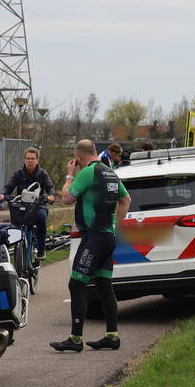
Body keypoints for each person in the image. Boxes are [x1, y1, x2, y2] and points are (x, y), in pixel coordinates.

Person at [50, 140, 131, 352]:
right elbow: (126, 200)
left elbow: (67, 198)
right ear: (95, 151)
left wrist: (69, 176)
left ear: (78, 157)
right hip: (108, 238)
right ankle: (112, 336)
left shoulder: (88, 172)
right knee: (104, 286)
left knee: (76, 285)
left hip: (94, 238)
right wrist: (116, 226)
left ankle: (75, 339)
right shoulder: (110, 172)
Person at [0, 147, 56, 259]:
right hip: (21, 206)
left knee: (41, 218)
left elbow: (50, 187)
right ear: (24, 160)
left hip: (37, 206)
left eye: (33, 158)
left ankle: (41, 249)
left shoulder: (43, 174)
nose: (30, 161)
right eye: (28, 158)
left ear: (37, 160)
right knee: (14, 225)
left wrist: (51, 196)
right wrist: (2, 194)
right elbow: (9, 186)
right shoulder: (18, 174)